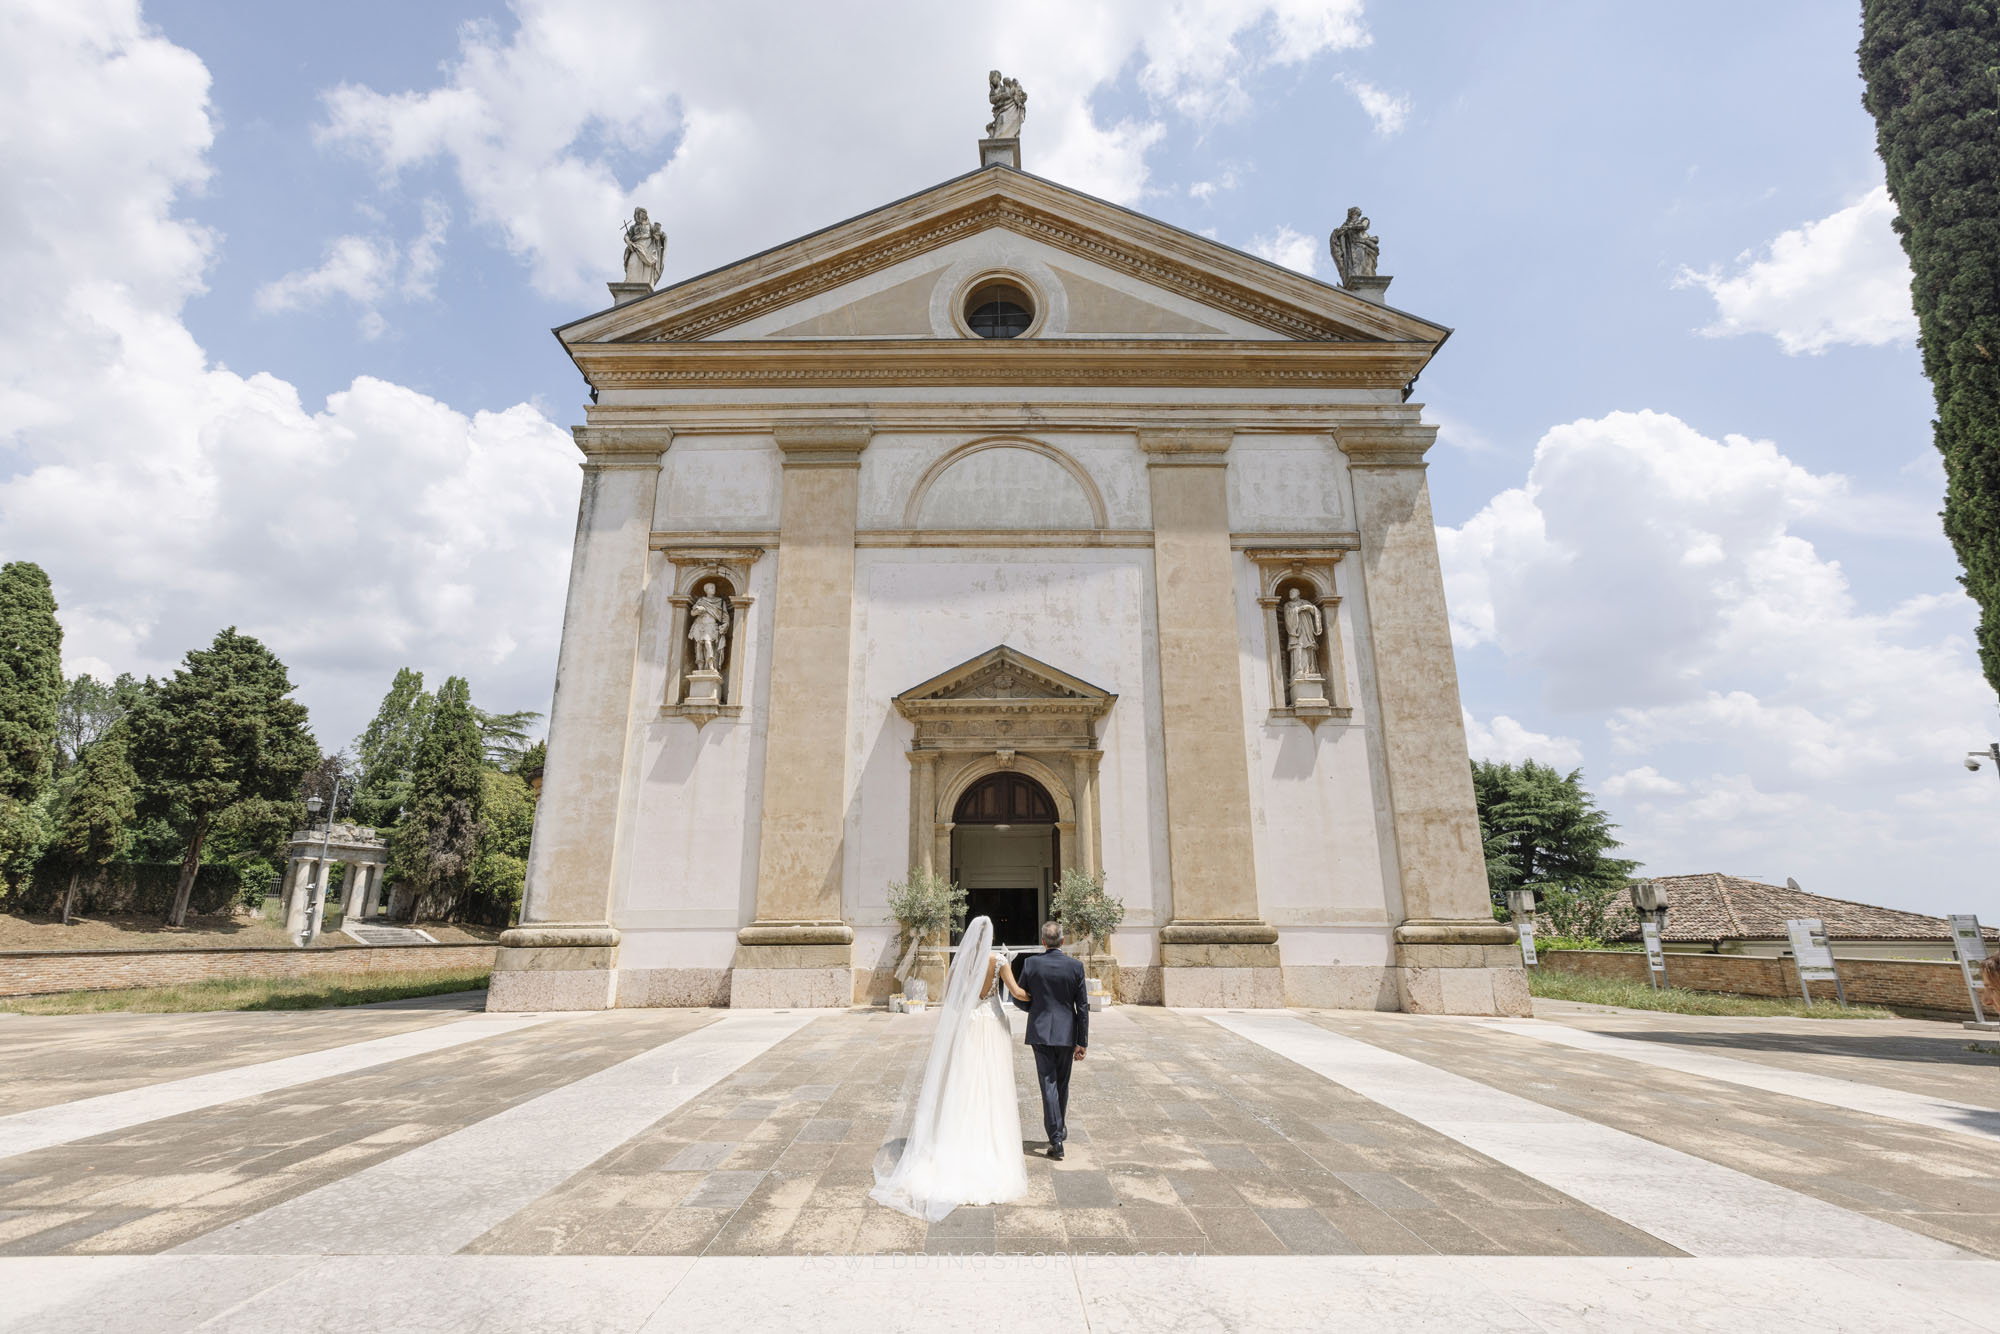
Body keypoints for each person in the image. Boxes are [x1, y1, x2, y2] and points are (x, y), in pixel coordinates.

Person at [869, 916, 1028, 1220]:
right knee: (992, 1084)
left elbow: (953, 1000)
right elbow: (1017, 993)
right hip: (992, 1025)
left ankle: (956, 1136)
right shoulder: (998, 961)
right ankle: (989, 1139)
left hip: (968, 1025)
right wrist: (1043, 998)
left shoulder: (959, 963)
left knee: (964, 1081)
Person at [1000, 920, 1089, 1160]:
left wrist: (1036, 1009)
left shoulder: (1031, 964)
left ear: (1042, 942)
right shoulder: (1075, 966)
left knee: (1047, 1084)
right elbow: (1082, 1007)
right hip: (1067, 1033)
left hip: (1040, 1031)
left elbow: (1018, 996)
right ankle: (1057, 1131)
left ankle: (1056, 1137)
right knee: (1062, 1084)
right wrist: (1082, 1041)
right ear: (1062, 941)